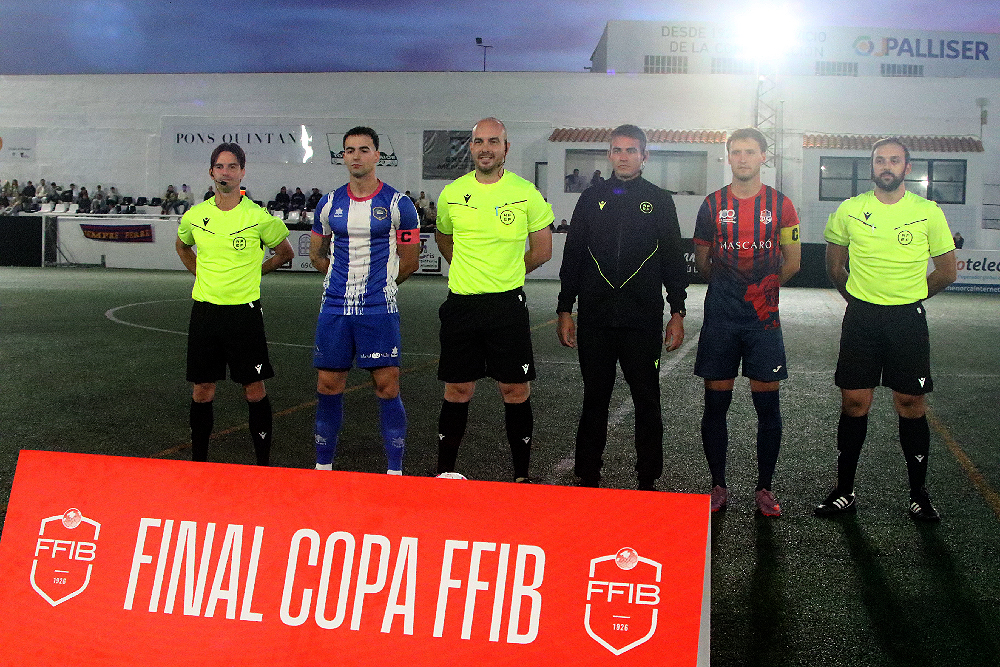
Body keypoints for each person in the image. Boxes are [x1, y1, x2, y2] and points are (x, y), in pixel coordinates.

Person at [816, 137, 956, 521]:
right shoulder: (849, 210)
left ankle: (918, 494)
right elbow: (834, 268)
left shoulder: (928, 212)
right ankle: (844, 491)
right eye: (880, 160)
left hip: (907, 321)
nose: (887, 166)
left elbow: (947, 272)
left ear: (907, 168)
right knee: (854, 403)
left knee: (910, 403)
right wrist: (860, 301)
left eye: (894, 160)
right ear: (872, 167)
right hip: (861, 319)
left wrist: (910, 297)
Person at [557, 124, 688, 491]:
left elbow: (673, 260)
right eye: (617, 150)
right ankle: (588, 474)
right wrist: (565, 308)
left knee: (647, 400)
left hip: (642, 320)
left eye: (631, 150)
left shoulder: (660, 200)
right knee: (594, 399)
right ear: (609, 155)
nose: (624, 156)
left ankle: (648, 478)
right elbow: (574, 256)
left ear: (644, 157)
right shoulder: (590, 198)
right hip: (596, 319)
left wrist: (677, 311)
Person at [434, 117, 553, 482]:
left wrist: (506, 273)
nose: (485, 148)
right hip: (462, 305)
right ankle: (445, 474)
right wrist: (469, 269)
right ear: (471, 147)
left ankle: (521, 477)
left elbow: (543, 250)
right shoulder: (452, 193)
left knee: (514, 389)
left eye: (493, 141)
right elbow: (443, 238)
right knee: (457, 389)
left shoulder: (526, 193)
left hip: (506, 307)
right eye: (479, 142)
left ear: (506, 147)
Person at [693, 127, 801, 516]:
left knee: (767, 406)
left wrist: (764, 290)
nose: (742, 158)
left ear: (763, 157)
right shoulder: (711, 205)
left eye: (750, 152)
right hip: (721, 317)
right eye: (736, 152)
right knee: (715, 404)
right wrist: (730, 290)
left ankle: (764, 489)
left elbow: (793, 261)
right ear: (728, 157)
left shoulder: (781, 205)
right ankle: (718, 485)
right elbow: (703, 262)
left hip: (763, 321)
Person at [175, 142, 294, 466]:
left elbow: (285, 252)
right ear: (211, 172)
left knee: (254, 388)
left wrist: (256, 272)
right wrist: (200, 273)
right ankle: (199, 463)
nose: (225, 172)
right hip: (205, 312)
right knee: (202, 389)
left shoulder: (258, 217)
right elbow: (183, 246)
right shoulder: (195, 216)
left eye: (232, 167)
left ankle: (262, 466)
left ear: (242, 172)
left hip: (244, 314)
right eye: (219, 166)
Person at [309, 127, 420, 474]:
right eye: (349, 150)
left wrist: (380, 286)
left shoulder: (399, 204)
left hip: (378, 308)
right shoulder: (328, 203)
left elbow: (410, 261)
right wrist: (341, 283)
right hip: (335, 307)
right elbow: (316, 255)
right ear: (343, 156)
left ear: (377, 155)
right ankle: (323, 467)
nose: (356, 156)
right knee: (328, 385)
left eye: (364, 149)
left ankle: (394, 471)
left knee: (387, 386)